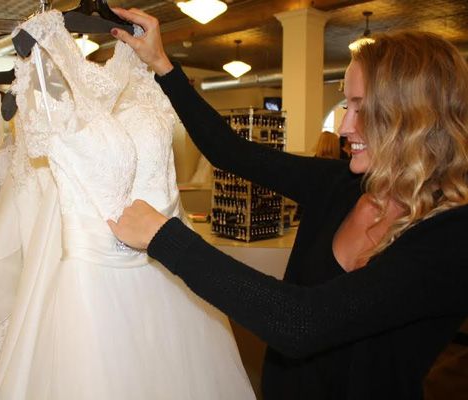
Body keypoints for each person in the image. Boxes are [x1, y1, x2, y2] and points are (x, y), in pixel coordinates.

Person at [107, 7, 468, 399]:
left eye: (363, 108)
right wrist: (163, 65)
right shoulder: (343, 185)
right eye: (347, 105)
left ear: (413, 118)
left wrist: (167, 238)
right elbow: (229, 152)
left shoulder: (451, 238)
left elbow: (302, 323)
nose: (345, 126)